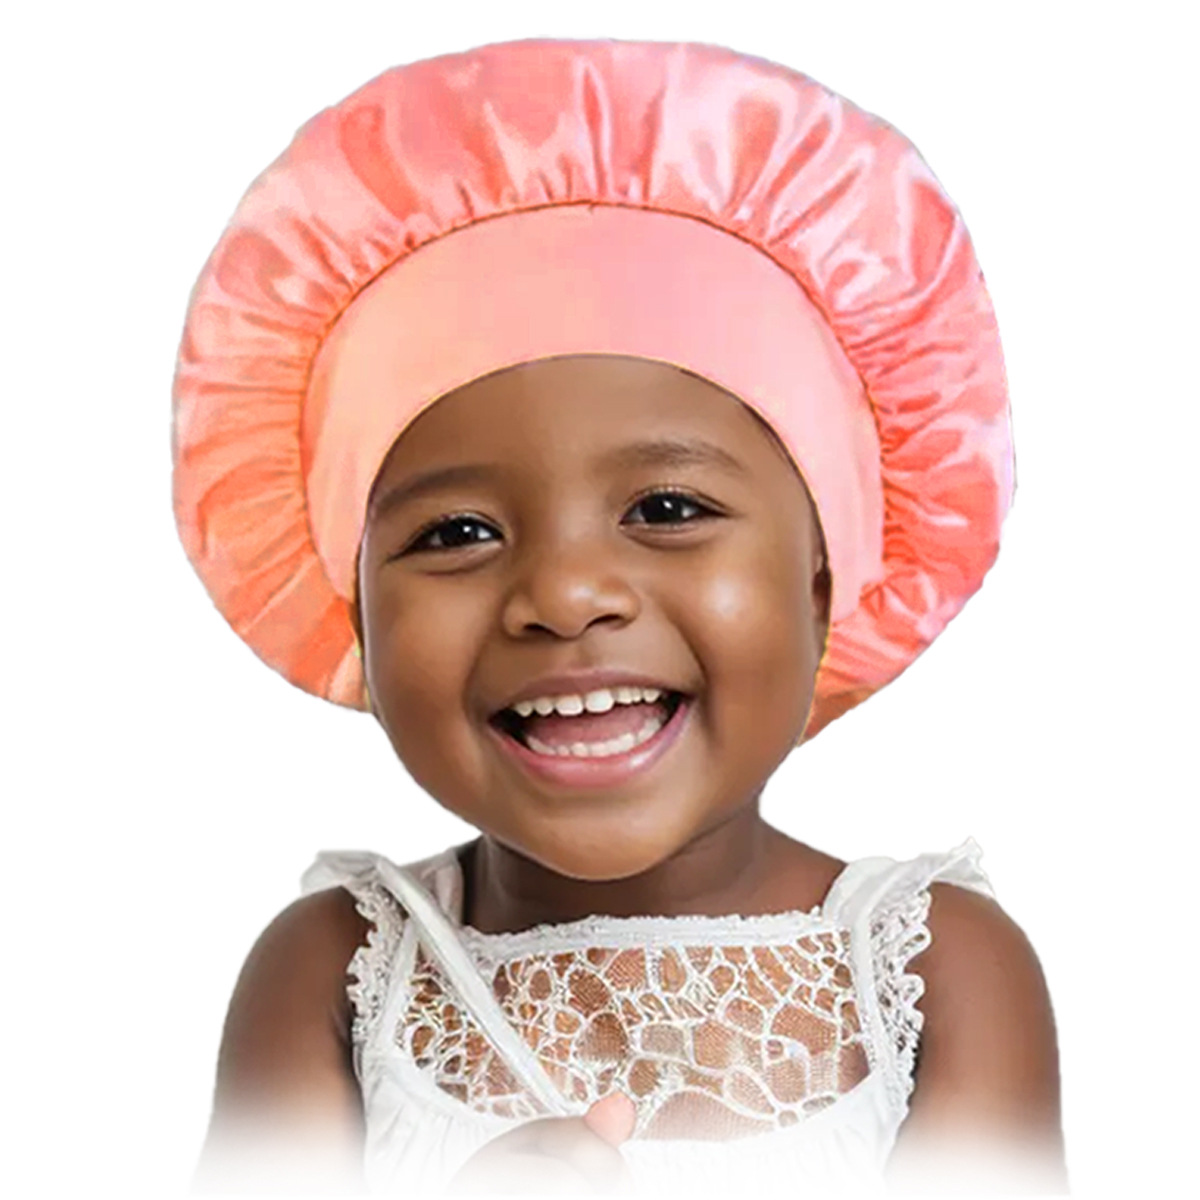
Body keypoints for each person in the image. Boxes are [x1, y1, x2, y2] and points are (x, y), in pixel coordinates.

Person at [176, 38, 1067, 1196]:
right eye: (456, 532)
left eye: (667, 509)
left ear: (823, 576)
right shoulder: (331, 976)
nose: (563, 595)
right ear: (357, 608)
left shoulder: (936, 974)